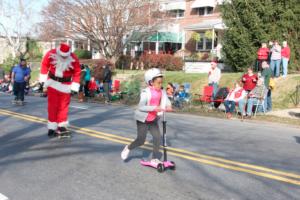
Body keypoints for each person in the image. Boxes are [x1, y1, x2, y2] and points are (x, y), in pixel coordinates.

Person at [121, 68, 172, 165]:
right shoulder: (145, 93)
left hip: (152, 120)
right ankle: (128, 148)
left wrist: (169, 106)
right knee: (141, 140)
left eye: (161, 83)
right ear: (151, 82)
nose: (160, 85)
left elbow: (166, 100)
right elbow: (141, 107)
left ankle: (154, 159)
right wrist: (154, 108)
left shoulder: (162, 91)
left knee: (157, 138)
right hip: (142, 120)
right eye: (158, 83)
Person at [39, 43, 81, 138]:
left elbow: (77, 72)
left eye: (65, 56)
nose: (63, 57)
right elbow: (44, 65)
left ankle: (62, 126)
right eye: (61, 56)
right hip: (53, 83)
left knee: (63, 107)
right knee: (52, 106)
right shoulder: (51, 53)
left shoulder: (73, 58)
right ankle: (52, 127)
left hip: (66, 86)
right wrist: (42, 80)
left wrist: (75, 86)